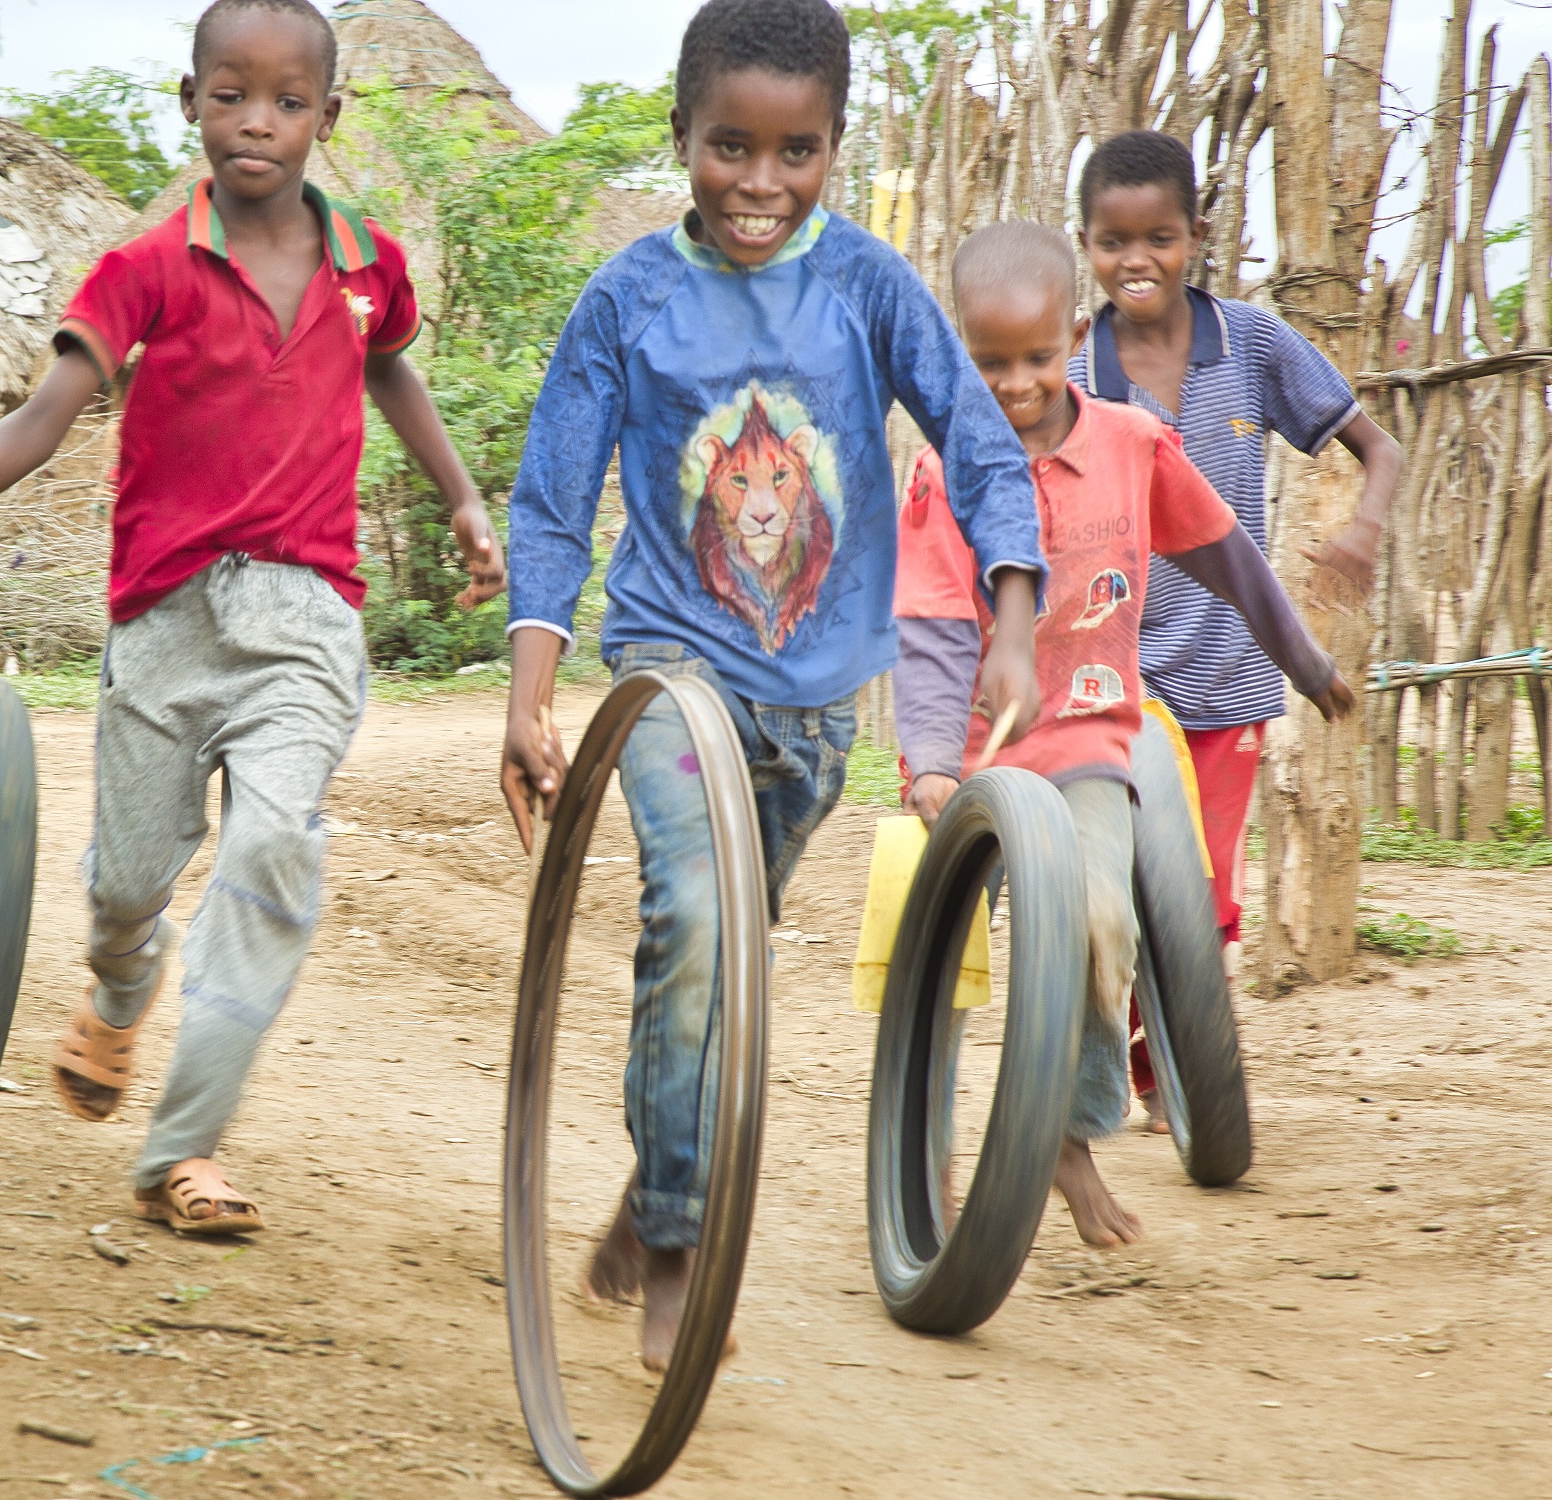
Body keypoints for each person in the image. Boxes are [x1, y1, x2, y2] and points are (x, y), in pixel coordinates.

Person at [0, 0, 504, 1237]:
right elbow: (50, 407)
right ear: (189, 100)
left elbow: (390, 364)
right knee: (134, 883)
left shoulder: (368, 261)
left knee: (272, 849)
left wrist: (463, 496)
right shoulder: (145, 267)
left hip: (308, 613)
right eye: (232, 96)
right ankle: (120, 981)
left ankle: (185, 1147)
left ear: (327, 116)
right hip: (165, 620)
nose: (259, 123)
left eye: (288, 102)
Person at [500, 0, 1047, 1371]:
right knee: (691, 922)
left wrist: (1016, 615)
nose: (758, 182)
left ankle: (651, 1193)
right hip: (667, 676)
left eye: (792, 152)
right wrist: (530, 689)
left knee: (720, 966)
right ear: (682, 135)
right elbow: (555, 500)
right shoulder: (626, 298)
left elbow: (979, 452)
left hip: (814, 706)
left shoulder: (866, 287)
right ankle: (685, 1246)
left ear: (831, 147)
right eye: (728, 146)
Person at [895, 222, 1354, 1246]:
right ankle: (918, 1167)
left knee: (1102, 926)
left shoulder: (1133, 446)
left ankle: (1065, 1134)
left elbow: (1229, 560)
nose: (1014, 384)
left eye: (1036, 357)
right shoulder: (943, 470)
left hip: (1088, 736)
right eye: (987, 362)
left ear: (1073, 335)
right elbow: (926, 627)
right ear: (958, 352)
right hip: (975, 758)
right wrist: (929, 764)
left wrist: (1305, 662)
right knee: (943, 964)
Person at [1071, 129, 1402, 1127]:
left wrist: (1363, 526)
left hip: (1226, 679)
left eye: (1159, 238)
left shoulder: (1251, 344)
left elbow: (1375, 446)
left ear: (1197, 236)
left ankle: (1176, 1075)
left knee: (1202, 900)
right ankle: (1134, 1066)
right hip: (1112, 683)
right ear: (1085, 245)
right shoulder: (1074, 369)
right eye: (1112, 242)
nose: (1137, 261)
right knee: (1115, 894)